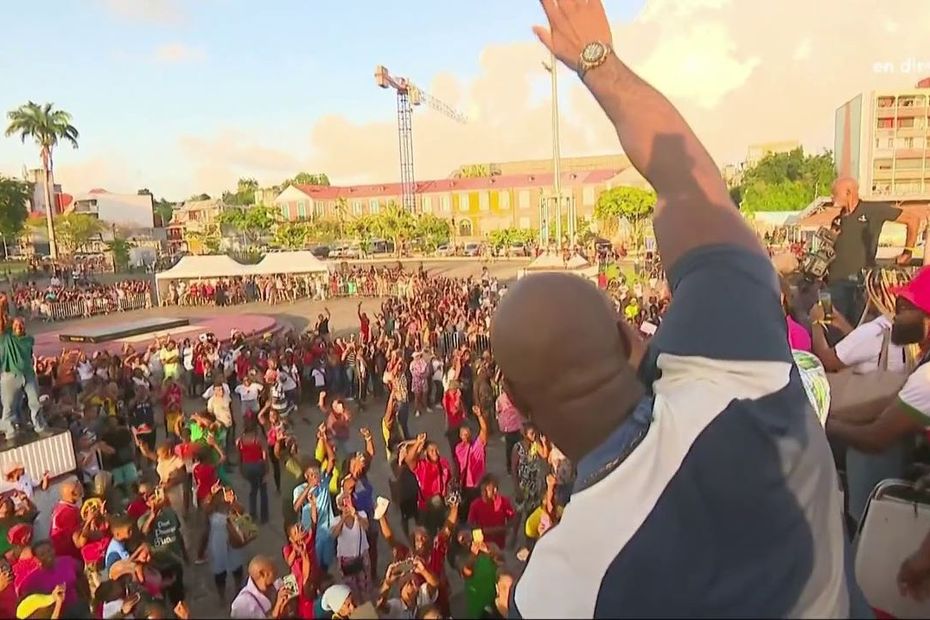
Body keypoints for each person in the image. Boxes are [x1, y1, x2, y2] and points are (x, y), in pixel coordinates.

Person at [497, 1, 861, 616]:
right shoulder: (740, 371)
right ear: (622, 336)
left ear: (522, 409)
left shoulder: (558, 589)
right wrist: (598, 63)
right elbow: (688, 181)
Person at [826, 176, 920, 322]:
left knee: (858, 329)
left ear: (848, 193)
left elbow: (913, 219)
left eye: (835, 193)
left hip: (858, 285)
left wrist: (908, 251)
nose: (832, 198)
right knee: (834, 330)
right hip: (835, 284)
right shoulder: (838, 220)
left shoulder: (872, 210)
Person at [0, 295, 48, 438]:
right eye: (15, 326)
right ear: (11, 328)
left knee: (35, 402)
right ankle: (9, 430)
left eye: (21, 325)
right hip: (10, 376)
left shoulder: (29, 340)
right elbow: (2, 324)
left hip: (28, 374)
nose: (18, 327)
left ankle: (39, 427)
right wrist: (2, 306)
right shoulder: (7, 338)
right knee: (8, 408)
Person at [230, 555, 293, 619]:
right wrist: (277, 606)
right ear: (262, 574)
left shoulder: (277, 585)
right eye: (273, 570)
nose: (276, 572)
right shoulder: (242, 605)